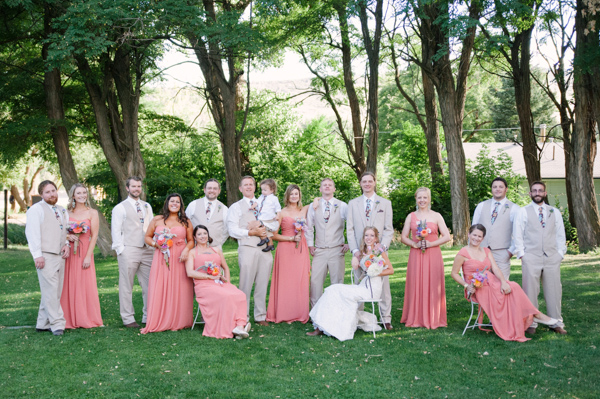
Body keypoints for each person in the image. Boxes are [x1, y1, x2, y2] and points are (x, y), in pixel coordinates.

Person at [451, 224, 559, 342]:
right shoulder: (462, 253)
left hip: (492, 281)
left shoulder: (486, 251)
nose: (476, 238)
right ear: (469, 235)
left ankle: (534, 314)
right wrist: (466, 286)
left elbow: (496, 269)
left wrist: (503, 282)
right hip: (477, 287)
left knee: (513, 286)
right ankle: (533, 315)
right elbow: (454, 273)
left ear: (483, 238)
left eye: (479, 236)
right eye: (474, 235)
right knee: (506, 293)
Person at [307, 227, 394, 341]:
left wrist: (375, 272)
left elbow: (391, 270)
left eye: (372, 235)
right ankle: (321, 326)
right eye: (366, 235)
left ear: (376, 238)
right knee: (332, 289)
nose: (369, 238)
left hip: (372, 289)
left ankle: (329, 327)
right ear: (363, 237)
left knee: (335, 290)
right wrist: (355, 259)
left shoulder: (381, 252)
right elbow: (359, 268)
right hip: (363, 285)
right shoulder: (362, 252)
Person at [513, 181, 567, 335]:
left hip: (551, 257)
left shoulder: (554, 212)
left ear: (545, 193)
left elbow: (560, 234)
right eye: (534, 191)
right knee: (530, 290)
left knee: (554, 290)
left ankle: (556, 322)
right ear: (530, 193)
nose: (537, 193)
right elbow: (518, 234)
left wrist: (560, 254)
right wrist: (522, 254)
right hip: (531, 256)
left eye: (540, 190)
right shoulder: (523, 212)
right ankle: (531, 322)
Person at [227, 176, 278, 326]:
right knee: (246, 283)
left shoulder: (266, 203)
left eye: (251, 184)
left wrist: (263, 226)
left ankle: (260, 316)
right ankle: (243, 316)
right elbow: (232, 230)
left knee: (262, 283)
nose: (249, 187)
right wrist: (250, 233)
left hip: (265, 249)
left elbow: (275, 225)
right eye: (245, 185)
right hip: (247, 247)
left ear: (255, 187)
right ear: (240, 189)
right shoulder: (236, 207)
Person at [347, 172, 394, 329]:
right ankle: (358, 318)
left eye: (370, 181)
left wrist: (381, 249)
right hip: (360, 252)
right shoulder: (353, 204)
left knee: (383, 285)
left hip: (378, 251)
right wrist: (355, 251)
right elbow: (350, 229)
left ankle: (386, 318)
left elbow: (388, 229)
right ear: (360, 183)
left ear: (374, 182)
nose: (367, 184)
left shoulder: (385, 203)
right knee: (359, 284)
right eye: (364, 181)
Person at [141, 194, 194, 333]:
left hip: (179, 258)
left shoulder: (185, 221)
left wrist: (186, 251)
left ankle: (178, 320)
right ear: (167, 203)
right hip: (161, 257)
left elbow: (191, 240)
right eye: (172, 201)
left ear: (181, 205)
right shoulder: (157, 219)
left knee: (179, 287)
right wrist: (156, 244)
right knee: (161, 286)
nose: (175, 204)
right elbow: (147, 237)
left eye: (178, 202)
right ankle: (160, 318)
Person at [186, 225, 250, 339]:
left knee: (240, 295)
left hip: (220, 283)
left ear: (208, 235)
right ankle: (232, 328)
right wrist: (208, 277)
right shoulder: (192, 252)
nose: (202, 236)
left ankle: (239, 326)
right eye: (199, 234)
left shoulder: (216, 250)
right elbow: (190, 272)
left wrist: (228, 283)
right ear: (195, 237)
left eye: (204, 233)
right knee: (226, 296)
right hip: (203, 285)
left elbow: (225, 268)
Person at [400, 187, 450, 329]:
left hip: (433, 254)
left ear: (429, 199)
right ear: (416, 199)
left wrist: (431, 244)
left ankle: (434, 317)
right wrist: (414, 244)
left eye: (425, 197)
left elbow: (446, 236)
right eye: (419, 197)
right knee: (416, 282)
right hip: (416, 255)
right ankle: (416, 317)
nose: (422, 200)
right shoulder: (411, 216)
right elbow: (403, 237)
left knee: (433, 283)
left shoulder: (436, 216)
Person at [25, 180, 70, 336]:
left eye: (53, 191)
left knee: (55, 291)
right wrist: (37, 255)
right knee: (51, 290)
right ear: (42, 194)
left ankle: (42, 323)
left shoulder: (62, 210)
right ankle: (57, 324)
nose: (52, 194)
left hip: (60, 255)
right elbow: (32, 233)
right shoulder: (36, 210)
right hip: (45, 255)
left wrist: (66, 244)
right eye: (48, 192)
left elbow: (64, 231)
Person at [111, 176, 154, 328]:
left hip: (148, 250)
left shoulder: (147, 206)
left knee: (150, 285)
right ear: (127, 188)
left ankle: (148, 315)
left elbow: (151, 227)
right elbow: (115, 231)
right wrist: (121, 250)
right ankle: (128, 318)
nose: (137, 189)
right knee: (126, 285)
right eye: (134, 186)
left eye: (139, 186)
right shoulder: (120, 208)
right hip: (129, 249)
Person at [61, 183, 103, 329]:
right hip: (69, 252)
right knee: (68, 282)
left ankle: (86, 317)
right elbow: (60, 231)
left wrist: (87, 256)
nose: (82, 196)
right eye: (79, 193)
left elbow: (95, 235)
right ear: (73, 195)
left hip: (85, 250)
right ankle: (68, 318)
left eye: (84, 193)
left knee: (85, 283)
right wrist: (68, 236)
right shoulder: (67, 212)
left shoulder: (92, 213)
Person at [266, 184, 310, 323]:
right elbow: (273, 235)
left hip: (300, 249)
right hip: (285, 249)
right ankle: (284, 313)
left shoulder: (303, 210)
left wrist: (316, 200)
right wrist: (291, 238)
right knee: (285, 281)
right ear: (287, 196)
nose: (294, 196)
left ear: (299, 195)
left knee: (300, 280)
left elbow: (319, 200)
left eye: (296, 194)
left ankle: (299, 312)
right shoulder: (281, 213)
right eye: (291, 194)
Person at [306, 178, 349, 308]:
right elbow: (309, 226)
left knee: (337, 283)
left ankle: (336, 310)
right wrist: (310, 244)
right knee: (315, 282)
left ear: (334, 189)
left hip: (337, 250)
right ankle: (315, 313)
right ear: (320, 189)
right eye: (324, 185)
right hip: (319, 250)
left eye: (330, 185)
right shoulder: (314, 206)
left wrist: (349, 244)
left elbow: (352, 226)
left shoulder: (342, 206)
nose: (327, 187)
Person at [472, 177, 519, 279]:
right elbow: (473, 230)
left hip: (502, 253)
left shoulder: (514, 208)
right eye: (495, 187)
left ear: (506, 189)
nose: (497, 189)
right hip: (481, 252)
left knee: (501, 286)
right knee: (480, 284)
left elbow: (518, 234)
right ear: (491, 189)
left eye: (501, 187)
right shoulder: (481, 206)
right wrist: (471, 251)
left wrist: (510, 252)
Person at [185, 179, 229, 249]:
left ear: (219, 191)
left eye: (215, 188)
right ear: (204, 190)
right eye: (209, 188)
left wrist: (218, 242)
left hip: (215, 248)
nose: (212, 190)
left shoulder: (225, 209)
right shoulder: (193, 205)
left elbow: (227, 229)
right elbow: (185, 225)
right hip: (195, 248)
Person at [252, 178, 281, 252]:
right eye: (262, 190)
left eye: (265, 190)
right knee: (266, 231)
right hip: (262, 217)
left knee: (261, 227)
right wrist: (253, 207)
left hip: (269, 218)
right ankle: (270, 245)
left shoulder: (274, 198)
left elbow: (278, 208)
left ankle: (264, 239)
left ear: (272, 190)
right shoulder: (262, 196)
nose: (263, 192)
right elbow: (257, 203)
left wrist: (278, 215)